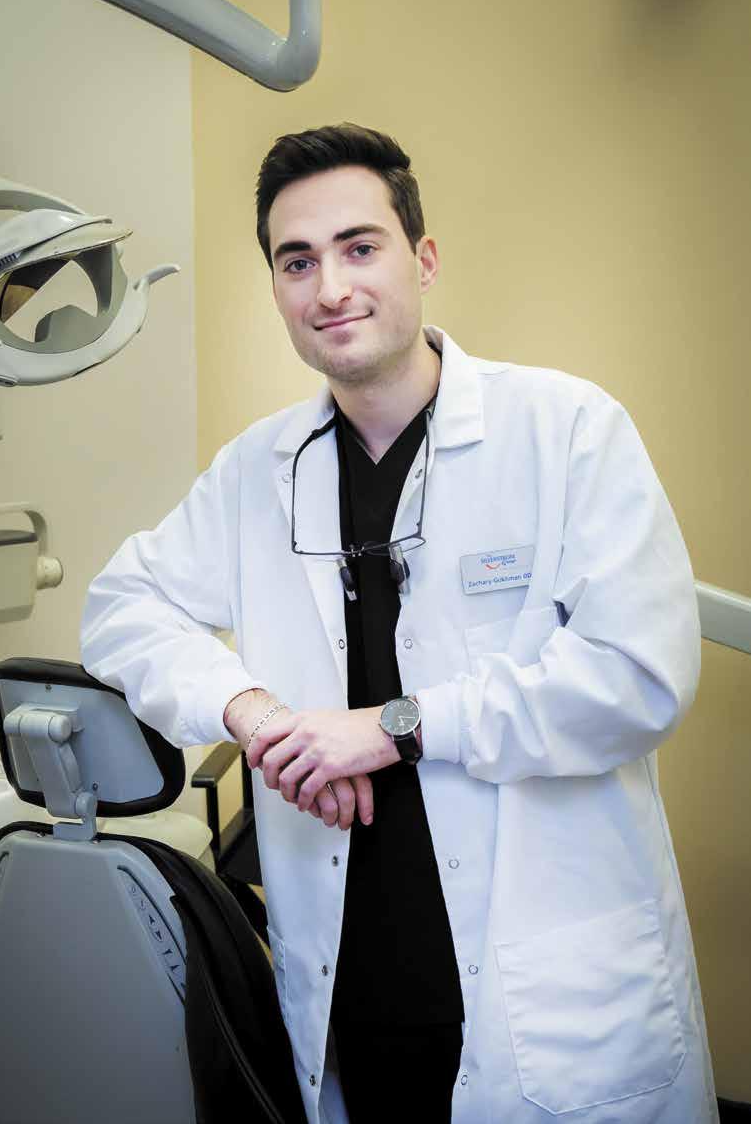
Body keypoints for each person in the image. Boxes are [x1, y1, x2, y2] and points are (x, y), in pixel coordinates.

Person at [80, 123, 718, 1124]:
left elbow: (638, 675)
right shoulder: (257, 470)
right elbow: (122, 605)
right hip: (355, 982)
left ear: (423, 259)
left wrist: (390, 726)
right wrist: (251, 710)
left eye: (359, 247)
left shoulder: (563, 430)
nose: (329, 286)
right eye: (297, 260)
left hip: (546, 986)